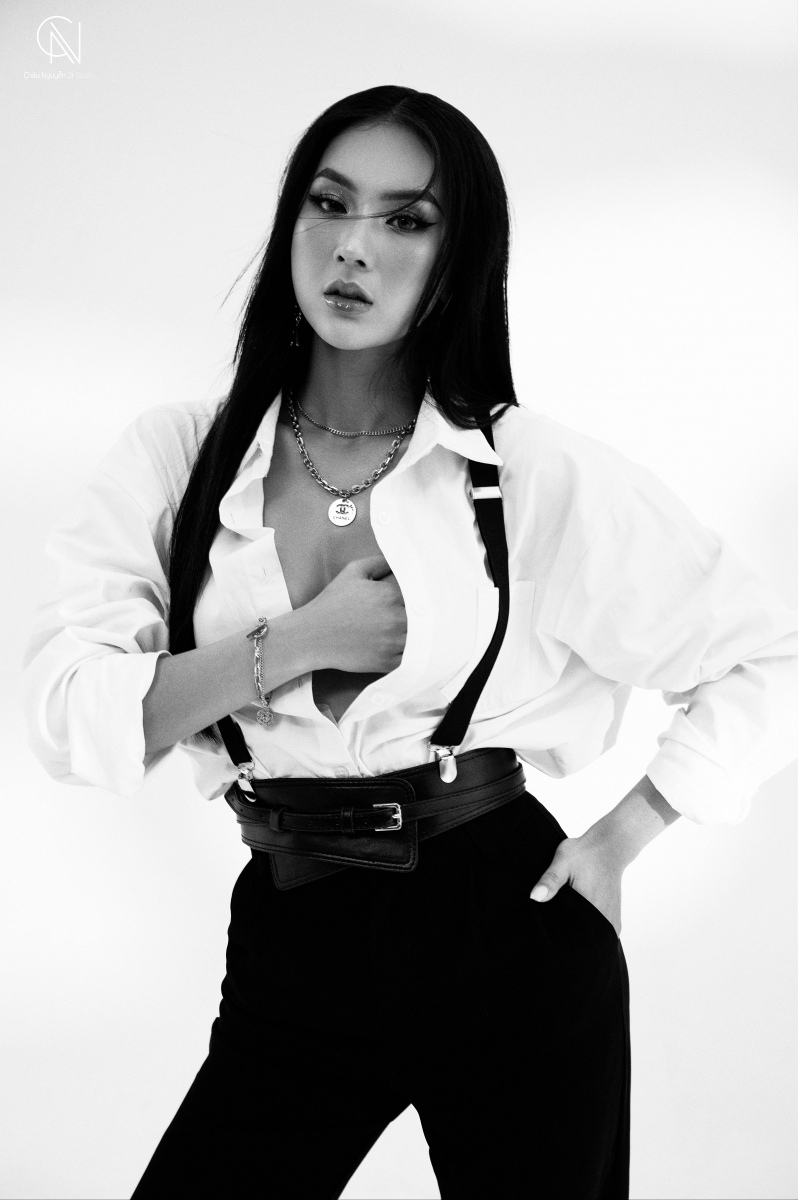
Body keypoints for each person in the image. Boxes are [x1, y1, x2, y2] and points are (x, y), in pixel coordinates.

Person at [22, 85, 797, 1200]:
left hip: (502, 920)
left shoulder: (521, 471)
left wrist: (626, 833)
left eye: (406, 219)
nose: (353, 246)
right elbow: (68, 715)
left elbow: (766, 653)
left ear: (457, 257)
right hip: (294, 917)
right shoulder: (179, 458)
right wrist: (294, 642)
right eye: (329, 203)